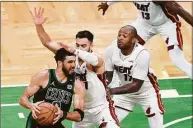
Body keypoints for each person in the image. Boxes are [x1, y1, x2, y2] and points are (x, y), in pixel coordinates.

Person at [30, 7, 120, 128]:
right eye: (77, 45)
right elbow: (48, 43)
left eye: (83, 45)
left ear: (91, 45)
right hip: (81, 109)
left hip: (101, 108)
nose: (80, 47)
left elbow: (96, 61)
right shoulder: (70, 57)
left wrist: (75, 50)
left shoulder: (94, 59)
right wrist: (38, 26)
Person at [98, 1, 193, 80]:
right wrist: (107, 4)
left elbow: (180, 11)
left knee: (178, 61)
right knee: (118, 48)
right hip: (144, 24)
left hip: (167, 25)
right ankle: (112, 79)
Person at [104, 25, 165, 128]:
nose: (120, 38)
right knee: (107, 124)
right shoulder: (110, 51)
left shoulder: (142, 54)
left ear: (133, 40)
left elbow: (136, 85)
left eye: (124, 36)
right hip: (124, 93)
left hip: (147, 93)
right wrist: (100, 86)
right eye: (119, 35)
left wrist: (111, 91)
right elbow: (108, 77)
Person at [19, 48, 85, 128]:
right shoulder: (43, 76)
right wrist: (31, 105)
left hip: (55, 124)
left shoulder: (77, 84)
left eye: (74, 62)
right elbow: (23, 98)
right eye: (70, 62)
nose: (74, 65)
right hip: (36, 123)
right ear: (60, 63)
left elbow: (79, 116)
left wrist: (62, 114)